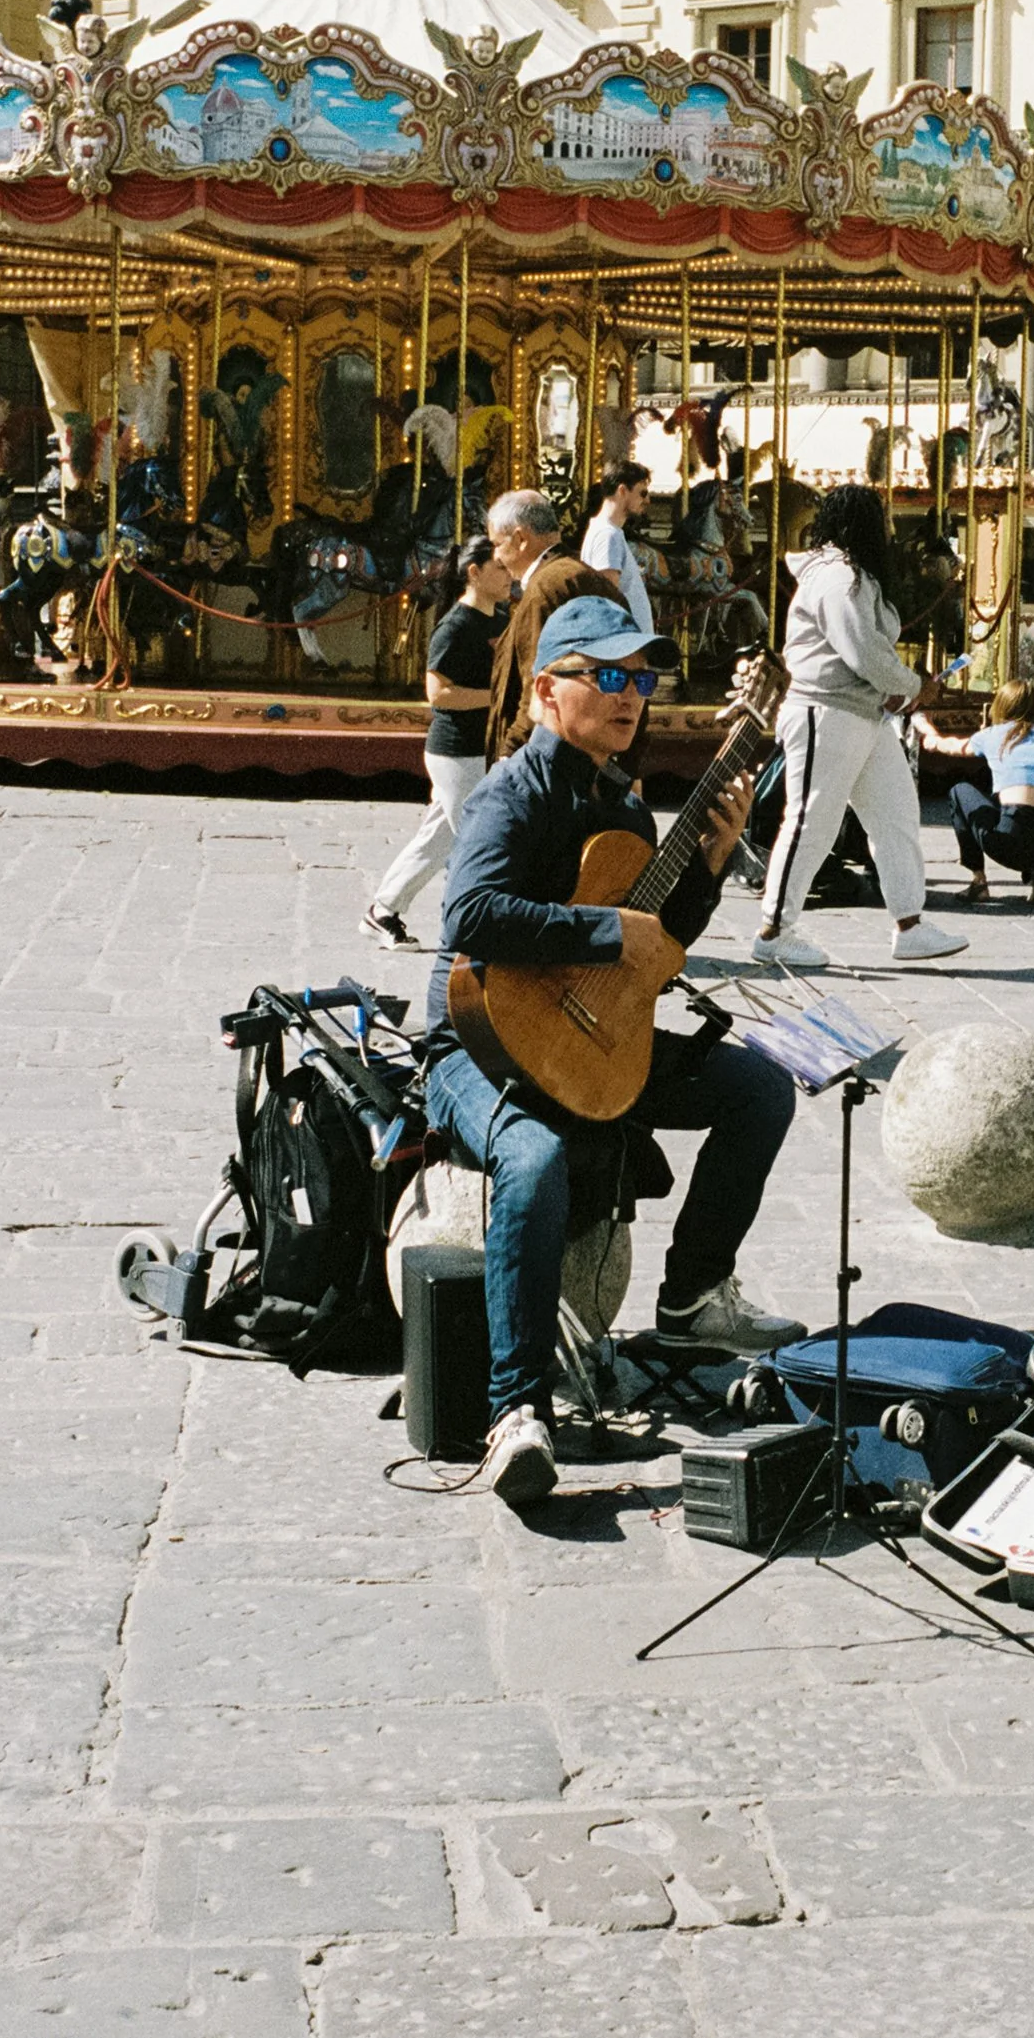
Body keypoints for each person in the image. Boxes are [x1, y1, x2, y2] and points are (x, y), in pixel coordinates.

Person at [422, 595, 804, 1507]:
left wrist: (706, 869)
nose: (631, 695)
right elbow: (468, 918)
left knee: (757, 1086)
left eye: (642, 679)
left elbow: (656, 943)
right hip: (477, 1044)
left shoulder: (623, 798)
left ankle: (691, 1299)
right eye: (609, 676)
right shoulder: (508, 794)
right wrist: (600, 933)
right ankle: (516, 1410)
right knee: (535, 1156)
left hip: (592, 1035)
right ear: (549, 691)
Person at [752, 482, 967, 971]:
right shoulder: (836, 576)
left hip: (862, 712)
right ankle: (773, 930)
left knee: (895, 812)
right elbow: (863, 649)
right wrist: (914, 685)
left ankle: (909, 924)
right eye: (883, 519)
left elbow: (866, 650)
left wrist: (897, 687)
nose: (891, 528)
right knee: (813, 820)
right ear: (862, 525)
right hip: (824, 710)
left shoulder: (855, 576)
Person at [362, 538, 511, 949]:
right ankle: (475, 926)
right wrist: (496, 698)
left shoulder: (501, 619)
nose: (508, 575)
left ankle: (383, 910)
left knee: (438, 838)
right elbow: (438, 693)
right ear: (474, 572)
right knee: (481, 839)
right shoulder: (455, 625)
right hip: (454, 751)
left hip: (483, 747)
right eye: (499, 567)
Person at [481, 489, 619, 763]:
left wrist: (510, 752)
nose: (496, 556)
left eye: (497, 544)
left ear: (520, 539)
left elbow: (538, 679)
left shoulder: (546, 588)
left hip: (544, 759)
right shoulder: (580, 575)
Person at [915, 680, 1034, 904]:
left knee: (959, 792)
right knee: (1030, 799)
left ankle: (978, 882)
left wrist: (927, 730)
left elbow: (947, 746)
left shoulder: (991, 735)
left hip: (1013, 843)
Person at [579, 460, 655, 636]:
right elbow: (606, 599)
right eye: (642, 493)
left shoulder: (608, 532)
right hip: (623, 650)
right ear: (622, 491)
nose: (648, 500)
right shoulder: (608, 535)